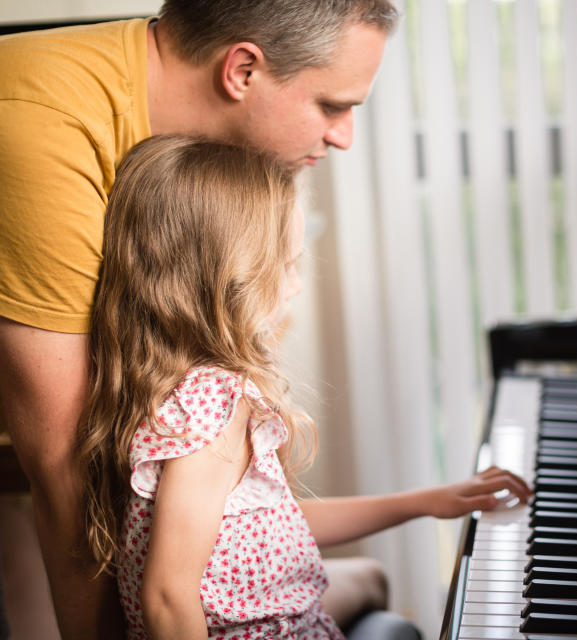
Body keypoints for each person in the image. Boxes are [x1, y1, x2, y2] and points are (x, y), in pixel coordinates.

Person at [0, 1, 398, 637]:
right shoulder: (40, 133)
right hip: (35, 462)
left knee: (359, 581)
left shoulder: (201, 174)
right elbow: (61, 460)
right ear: (242, 70)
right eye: (331, 105)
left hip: (101, 470)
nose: (344, 135)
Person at [78, 134, 531, 640]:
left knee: (370, 577)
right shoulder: (215, 405)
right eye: (287, 264)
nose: (296, 284)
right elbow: (166, 598)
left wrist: (427, 501)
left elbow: (266, 529)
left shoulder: (160, 383)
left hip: (266, 612)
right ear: (229, 278)